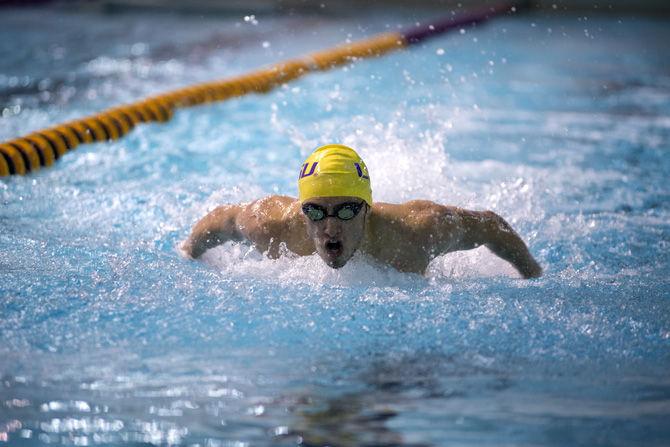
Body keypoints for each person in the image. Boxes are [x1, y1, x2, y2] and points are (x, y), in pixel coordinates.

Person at [182, 144, 542, 278]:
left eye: (347, 210)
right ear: (302, 210)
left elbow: (491, 227)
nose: (331, 227)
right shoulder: (273, 225)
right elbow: (222, 219)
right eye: (317, 212)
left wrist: (532, 275)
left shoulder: (417, 231)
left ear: (367, 209)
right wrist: (187, 254)